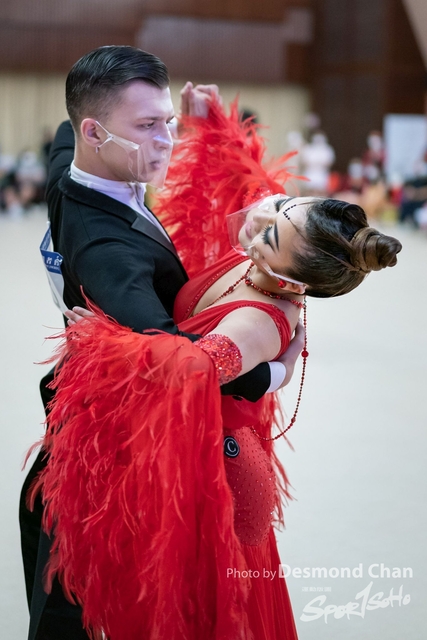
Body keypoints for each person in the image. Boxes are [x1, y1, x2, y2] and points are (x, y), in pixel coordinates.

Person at [31, 95, 402, 639]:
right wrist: (214, 126)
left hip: (215, 465)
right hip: (202, 438)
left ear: (293, 282)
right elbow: (251, 185)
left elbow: (188, 370)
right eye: (281, 206)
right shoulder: (268, 254)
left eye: (270, 233)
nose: (260, 218)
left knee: (194, 610)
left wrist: (103, 339)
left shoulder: (257, 321)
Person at [20, 46, 302, 640]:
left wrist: (198, 123)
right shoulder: (109, 253)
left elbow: (61, 140)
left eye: (168, 121)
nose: (166, 141)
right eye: (147, 126)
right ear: (95, 132)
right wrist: (272, 372)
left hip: (76, 418)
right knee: (77, 600)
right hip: (104, 446)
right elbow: (179, 362)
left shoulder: (72, 172)